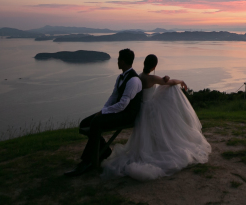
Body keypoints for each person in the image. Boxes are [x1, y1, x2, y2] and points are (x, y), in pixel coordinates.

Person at [101, 54, 211, 180]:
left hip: (141, 110)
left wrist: (164, 80)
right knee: (172, 88)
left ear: (144, 64)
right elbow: (171, 82)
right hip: (150, 109)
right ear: (154, 66)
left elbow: (163, 81)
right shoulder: (152, 78)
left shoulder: (138, 77)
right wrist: (181, 81)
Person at [65, 48, 142, 177]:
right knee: (84, 123)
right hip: (118, 111)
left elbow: (123, 104)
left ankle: (87, 161)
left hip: (128, 115)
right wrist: (103, 110)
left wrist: (104, 112)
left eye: (118, 59)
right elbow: (113, 97)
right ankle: (104, 150)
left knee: (95, 123)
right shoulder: (120, 77)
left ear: (123, 61)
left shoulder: (133, 80)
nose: (117, 61)